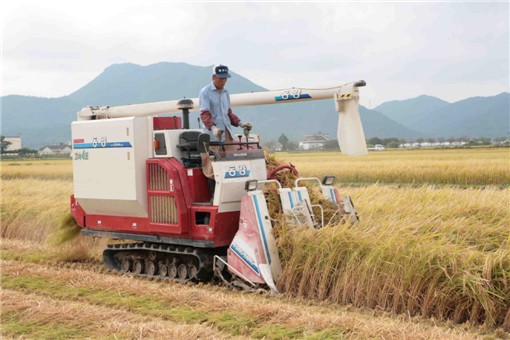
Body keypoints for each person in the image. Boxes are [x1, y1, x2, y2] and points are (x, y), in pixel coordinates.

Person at [199, 64, 252, 142]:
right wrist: (213, 128)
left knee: (231, 153)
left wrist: (241, 123)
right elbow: (204, 113)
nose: (223, 81)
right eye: (220, 79)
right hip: (213, 134)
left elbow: (228, 112)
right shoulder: (205, 92)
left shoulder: (225, 92)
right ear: (213, 77)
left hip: (227, 133)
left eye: (225, 78)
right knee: (216, 153)